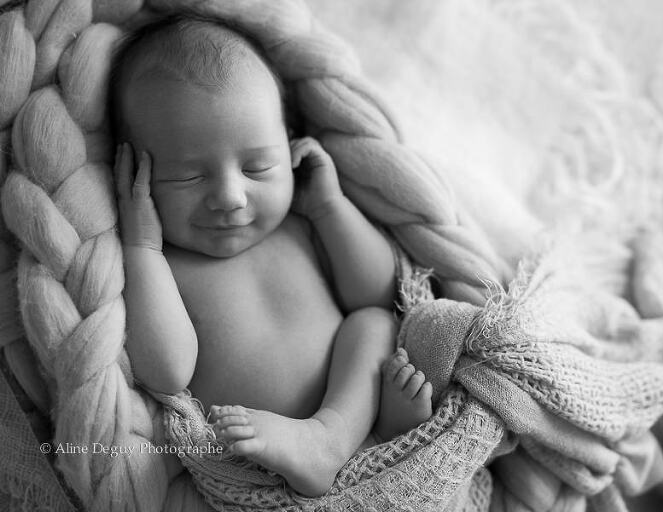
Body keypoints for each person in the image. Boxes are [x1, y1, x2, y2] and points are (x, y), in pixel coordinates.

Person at [110, 15, 433, 497]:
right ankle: (344, 440)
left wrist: (329, 207)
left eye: (258, 166)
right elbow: (167, 373)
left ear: (292, 144)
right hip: (256, 456)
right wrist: (143, 246)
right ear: (134, 173)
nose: (231, 197)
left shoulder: (300, 224)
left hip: (347, 420)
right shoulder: (163, 267)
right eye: (188, 177)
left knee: (374, 324)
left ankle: (349, 434)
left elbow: (378, 290)